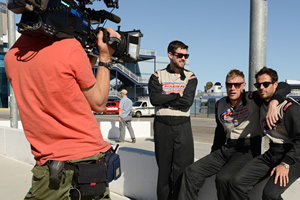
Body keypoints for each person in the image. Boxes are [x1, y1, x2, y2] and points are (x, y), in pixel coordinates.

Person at [4, 23, 120, 199]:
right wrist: (104, 57)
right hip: (87, 162)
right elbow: (98, 103)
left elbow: (61, 86)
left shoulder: (12, 56)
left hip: (47, 168)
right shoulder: (70, 47)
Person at [178, 69, 290, 200]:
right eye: (229, 85)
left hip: (247, 149)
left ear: (243, 86)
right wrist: (213, 155)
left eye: (237, 85)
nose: (232, 88)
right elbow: (219, 133)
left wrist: (273, 102)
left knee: (223, 178)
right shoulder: (220, 104)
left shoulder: (253, 98)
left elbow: (284, 86)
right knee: (191, 172)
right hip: (226, 148)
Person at [229, 67, 300, 200]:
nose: (261, 87)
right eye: (258, 85)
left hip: (294, 156)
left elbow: (299, 141)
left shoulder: (289, 108)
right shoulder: (260, 100)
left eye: (266, 84)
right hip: (273, 152)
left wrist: (285, 163)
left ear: (275, 85)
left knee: (270, 194)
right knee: (236, 183)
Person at [148, 40, 198, 200]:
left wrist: (166, 98)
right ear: (170, 55)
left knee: (182, 170)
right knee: (164, 171)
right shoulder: (157, 75)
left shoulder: (191, 77)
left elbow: (187, 102)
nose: (184, 58)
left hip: (182, 126)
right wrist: (177, 95)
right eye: (180, 55)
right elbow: (155, 99)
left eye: (186, 55)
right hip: (162, 126)